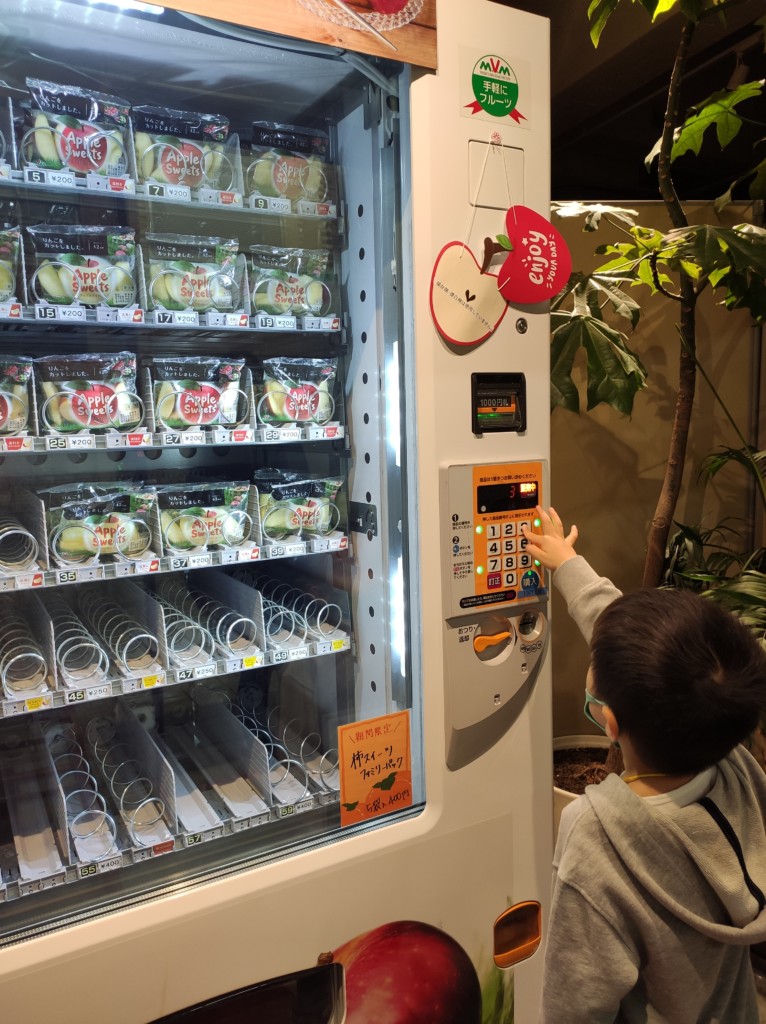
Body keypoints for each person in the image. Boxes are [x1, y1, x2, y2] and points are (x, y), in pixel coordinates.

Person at [520, 506, 766, 1024]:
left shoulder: (597, 836)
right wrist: (569, 566)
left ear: (607, 722)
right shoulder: (736, 765)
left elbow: (575, 1002)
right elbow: (648, 655)